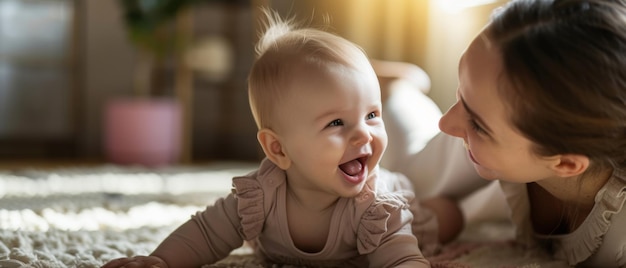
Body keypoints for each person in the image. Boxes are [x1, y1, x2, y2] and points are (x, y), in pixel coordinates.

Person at [101, 9, 462, 268]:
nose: (363, 133)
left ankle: (400, 88)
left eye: (371, 115)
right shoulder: (260, 196)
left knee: (446, 216)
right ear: (278, 149)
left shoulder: (376, 207)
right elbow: (206, 233)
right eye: (336, 122)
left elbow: (399, 256)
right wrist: (160, 260)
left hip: (409, 203)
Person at [399, 0, 626, 266]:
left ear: (565, 163)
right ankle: (400, 86)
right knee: (407, 171)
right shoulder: (490, 121)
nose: (446, 123)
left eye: (479, 125)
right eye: (460, 91)